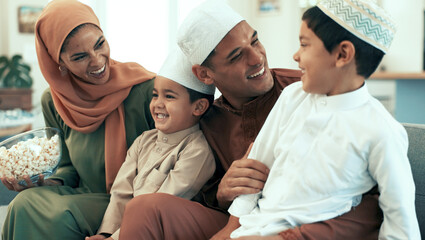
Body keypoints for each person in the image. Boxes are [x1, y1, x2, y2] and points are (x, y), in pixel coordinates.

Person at [117, 0, 384, 239]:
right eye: (236, 56)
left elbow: (369, 186)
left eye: (255, 41)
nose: (257, 59)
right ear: (206, 75)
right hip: (238, 220)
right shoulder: (207, 120)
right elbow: (199, 193)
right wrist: (222, 192)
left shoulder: (306, 89)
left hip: (307, 222)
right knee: (144, 208)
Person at [214, 0, 421, 239]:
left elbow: (401, 222)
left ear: (342, 54)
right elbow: (257, 163)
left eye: (304, 45)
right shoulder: (293, 96)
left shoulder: (381, 130)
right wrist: (230, 230)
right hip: (250, 228)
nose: (295, 55)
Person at [0, 0, 156, 239]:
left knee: (59, 215)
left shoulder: (145, 89)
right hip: (85, 194)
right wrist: (45, 183)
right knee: (23, 202)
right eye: (80, 56)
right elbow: (68, 167)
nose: (97, 60)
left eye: (100, 44)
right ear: (59, 63)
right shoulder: (54, 101)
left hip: (134, 198)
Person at [86, 46, 216, 240]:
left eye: (169, 96)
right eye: (155, 95)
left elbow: (164, 203)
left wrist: (116, 239)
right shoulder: (143, 140)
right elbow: (122, 192)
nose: (158, 104)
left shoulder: (196, 151)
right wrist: (106, 234)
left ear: (198, 106)